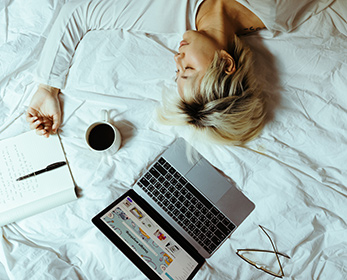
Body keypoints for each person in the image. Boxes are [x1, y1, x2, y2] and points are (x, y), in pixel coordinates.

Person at [27, 0, 333, 144]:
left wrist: (47, 87)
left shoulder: (168, 13)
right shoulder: (275, 7)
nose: (177, 57)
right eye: (187, 68)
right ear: (226, 63)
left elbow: (78, 12)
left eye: (177, 71)